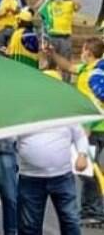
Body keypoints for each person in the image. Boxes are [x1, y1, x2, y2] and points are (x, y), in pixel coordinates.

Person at [45, 37, 104, 224]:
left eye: (83, 50)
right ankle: (92, 209)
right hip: (94, 127)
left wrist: (86, 129)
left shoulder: (94, 74)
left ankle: (93, 211)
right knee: (88, 169)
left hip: (94, 128)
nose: (81, 53)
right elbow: (69, 67)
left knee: (87, 169)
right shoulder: (89, 68)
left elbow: (97, 103)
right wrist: (53, 54)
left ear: (88, 52)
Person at [16, 124, 88, 235]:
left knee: (70, 220)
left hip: (62, 176)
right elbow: (8, 136)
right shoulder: (22, 113)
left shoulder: (63, 111)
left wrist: (82, 155)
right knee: (29, 225)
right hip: (30, 177)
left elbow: (80, 135)